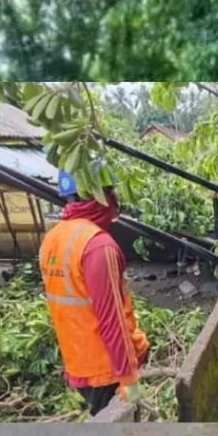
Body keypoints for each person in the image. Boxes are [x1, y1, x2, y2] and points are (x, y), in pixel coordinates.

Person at [38, 168, 149, 416]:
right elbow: (112, 321)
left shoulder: (52, 238)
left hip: (78, 362)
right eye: (111, 193)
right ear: (100, 196)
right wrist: (128, 378)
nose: (116, 201)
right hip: (106, 368)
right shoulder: (98, 246)